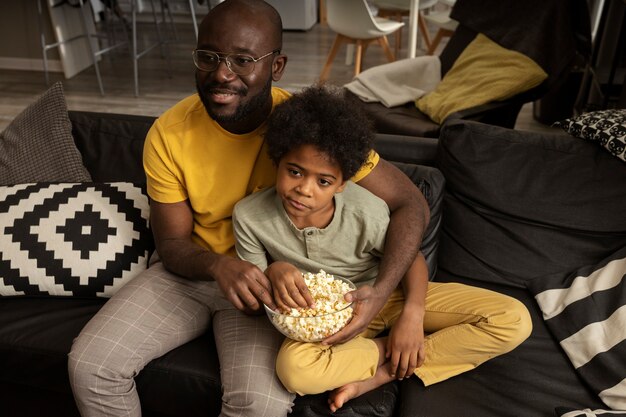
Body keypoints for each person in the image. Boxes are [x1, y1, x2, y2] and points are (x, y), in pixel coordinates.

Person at [67, 1, 429, 416]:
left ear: (276, 67)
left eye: (243, 60)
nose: (222, 73)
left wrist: (383, 293)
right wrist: (219, 266)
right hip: (193, 275)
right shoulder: (169, 133)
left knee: (258, 406)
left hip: (277, 291)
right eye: (209, 57)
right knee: (91, 367)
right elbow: (171, 242)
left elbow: (410, 203)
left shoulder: (310, 129)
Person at [232, 85, 533, 412]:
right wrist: (273, 270)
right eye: (294, 172)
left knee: (513, 319)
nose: (304, 190)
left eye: (323, 181)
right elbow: (257, 293)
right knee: (294, 370)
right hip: (328, 317)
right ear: (277, 160)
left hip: (391, 292)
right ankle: (392, 354)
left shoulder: (365, 211)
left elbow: (410, 259)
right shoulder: (249, 217)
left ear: (343, 183)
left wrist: (412, 316)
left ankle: (385, 372)